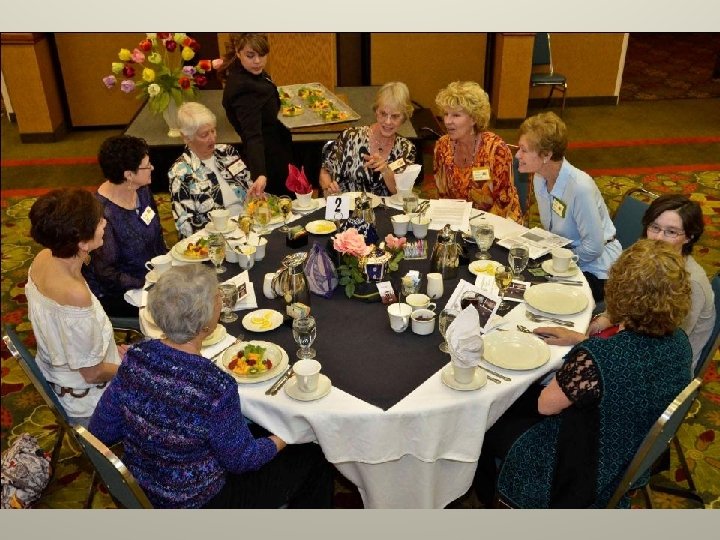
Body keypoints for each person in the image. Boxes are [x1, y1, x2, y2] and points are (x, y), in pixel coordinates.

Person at [88, 265, 334, 509]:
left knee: (254, 429)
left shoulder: (135, 358)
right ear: (205, 323)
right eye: (218, 298)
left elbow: (100, 431)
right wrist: (288, 435)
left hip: (142, 489)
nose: (221, 302)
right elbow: (243, 460)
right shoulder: (215, 386)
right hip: (199, 501)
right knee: (314, 455)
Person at [473, 239, 693, 508]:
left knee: (485, 419)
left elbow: (546, 405)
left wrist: (585, 351)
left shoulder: (599, 358)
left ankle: (490, 499)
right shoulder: (680, 343)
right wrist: (580, 340)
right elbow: (635, 363)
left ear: (620, 292)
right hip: (626, 448)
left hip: (581, 471)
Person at [26, 189, 125, 424]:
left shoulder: (43, 258)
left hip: (65, 377)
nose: (105, 223)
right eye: (99, 221)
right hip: (90, 403)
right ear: (82, 243)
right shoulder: (74, 294)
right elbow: (92, 373)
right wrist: (131, 367)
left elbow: (68, 337)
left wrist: (112, 353)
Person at [586, 194, 715, 374]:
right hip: (636, 335)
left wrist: (591, 348)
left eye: (671, 232)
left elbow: (665, 346)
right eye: (655, 227)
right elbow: (627, 298)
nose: (658, 238)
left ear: (689, 237)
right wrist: (605, 319)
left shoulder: (691, 283)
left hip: (664, 368)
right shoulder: (648, 256)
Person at [516, 111, 621, 302]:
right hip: (565, 255)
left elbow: (593, 248)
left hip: (597, 269)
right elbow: (552, 230)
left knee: (543, 297)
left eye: (523, 150)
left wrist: (558, 261)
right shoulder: (540, 177)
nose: (517, 155)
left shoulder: (580, 187)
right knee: (519, 277)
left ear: (546, 155)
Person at [82, 135, 167, 317]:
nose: (152, 168)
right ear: (129, 175)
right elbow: (107, 274)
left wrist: (165, 268)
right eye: (147, 165)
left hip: (154, 277)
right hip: (123, 293)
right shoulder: (102, 213)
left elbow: (158, 235)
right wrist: (147, 283)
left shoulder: (142, 190)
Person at [433, 81, 522, 222]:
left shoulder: (495, 150)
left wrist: (474, 227)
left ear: (474, 118)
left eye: (456, 115)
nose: (448, 121)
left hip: (499, 221)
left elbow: (503, 203)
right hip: (459, 221)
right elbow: (442, 196)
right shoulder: (442, 147)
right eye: (446, 114)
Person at [168, 101, 258, 238]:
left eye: (213, 130)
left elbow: (249, 187)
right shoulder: (180, 172)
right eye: (204, 135)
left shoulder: (227, 152)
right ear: (186, 138)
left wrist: (256, 194)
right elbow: (186, 227)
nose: (212, 137)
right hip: (217, 238)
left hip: (250, 225)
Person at [220, 32, 294, 197]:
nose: (257, 61)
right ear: (238, 53)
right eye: (250, 55)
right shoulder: (244, 90)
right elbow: (252, 135)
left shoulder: (246, 71)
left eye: (262, 55)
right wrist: (260, 173)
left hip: (277, 148)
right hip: (268, 159)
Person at [319, 81, 417, 197]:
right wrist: (328, 188)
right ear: (376, 111)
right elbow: (325, 171)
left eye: (395, 116)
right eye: (383, 114)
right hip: (347, 205)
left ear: (404, 117)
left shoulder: (406, 149)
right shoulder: (350, 137)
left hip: (385, 208)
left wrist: (385, 170)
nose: (388, 121)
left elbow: (400, 193)